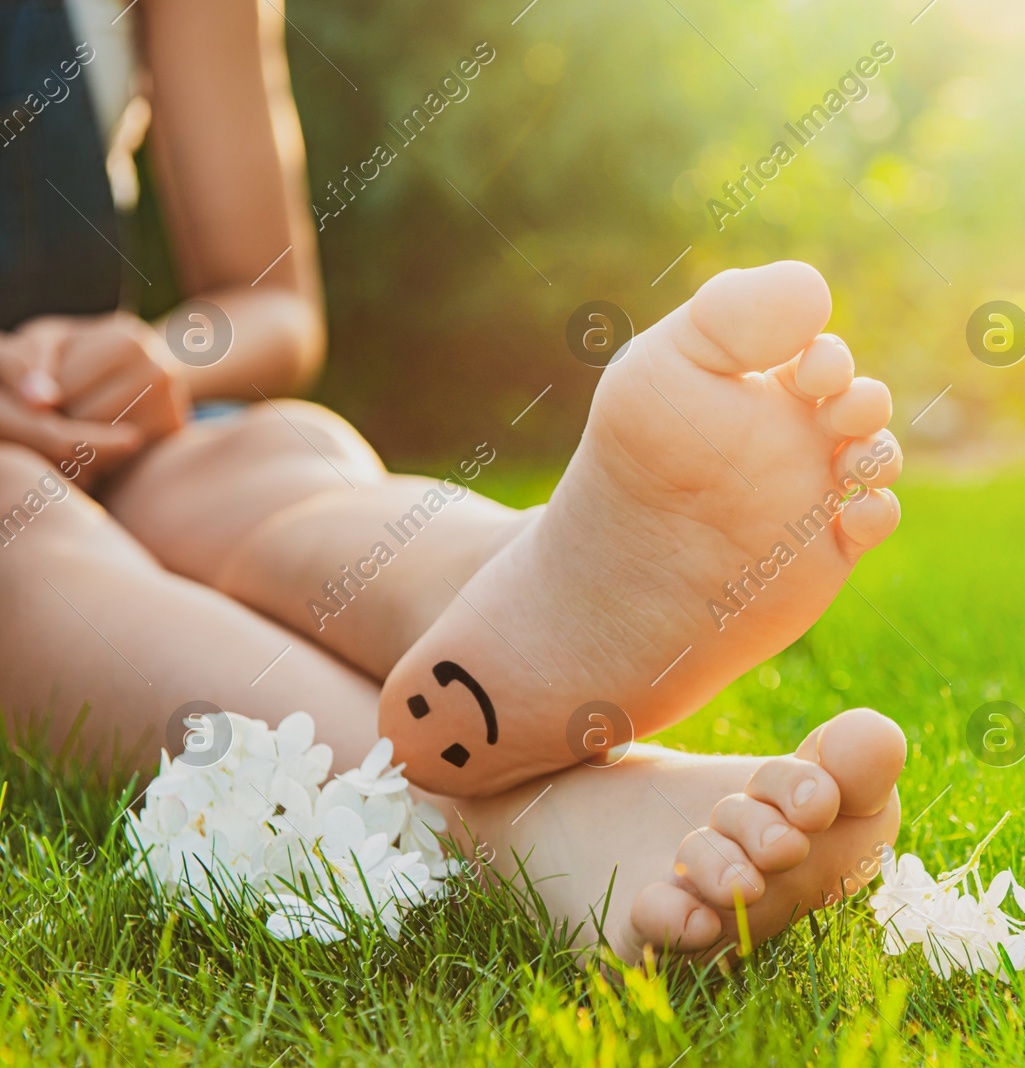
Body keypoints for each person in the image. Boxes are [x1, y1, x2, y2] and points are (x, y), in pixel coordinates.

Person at [0, 0, 907, 961]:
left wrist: (167, 354)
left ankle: (517, 573)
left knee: (270, 462)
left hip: (109, 425)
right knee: (23, 531)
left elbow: (268, 303)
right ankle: (531, 827)